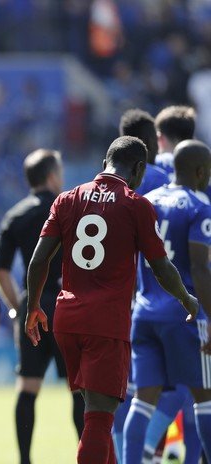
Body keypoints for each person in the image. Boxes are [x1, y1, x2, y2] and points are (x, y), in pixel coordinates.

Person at [25, 136, 200, 463]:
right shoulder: (136, 205)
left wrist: (33, 307)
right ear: (138, 168)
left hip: (67, 319)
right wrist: (188, 301)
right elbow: (161, 267)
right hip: (105, 322)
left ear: (106, 161)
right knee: (99, 418)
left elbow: (38, 260)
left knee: (94, 410)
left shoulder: (66, 199)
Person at [0, 149, 84, 464]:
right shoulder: (70, 210)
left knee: (28, 386)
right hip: (66, 306)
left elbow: (0, 269)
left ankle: (25, 459)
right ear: (52, 175)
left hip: (32, 306)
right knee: (78, 388)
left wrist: (17, 307)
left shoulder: (16, 215)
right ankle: (86, 456)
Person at [122, 140, 211, 464]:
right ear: (201, 171)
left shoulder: (146, 202)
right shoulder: (199, 206)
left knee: (142, 402)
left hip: (144, 313)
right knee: (204, 398)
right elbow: (200, 268)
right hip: (184, 315)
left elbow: (129, 259)